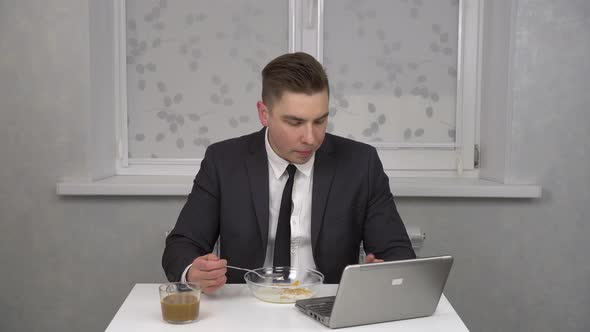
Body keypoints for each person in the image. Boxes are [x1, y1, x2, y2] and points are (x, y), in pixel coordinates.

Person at [162, 52, 415, 294]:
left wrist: (384, 272)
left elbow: (397, 252)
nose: (310, 138)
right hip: (245, 306)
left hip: (329, 306)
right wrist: (193, 271)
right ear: (264, 114)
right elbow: (182, 244)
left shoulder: (361, 164)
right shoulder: (224, 161)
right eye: (295, 123)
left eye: (320, 121)